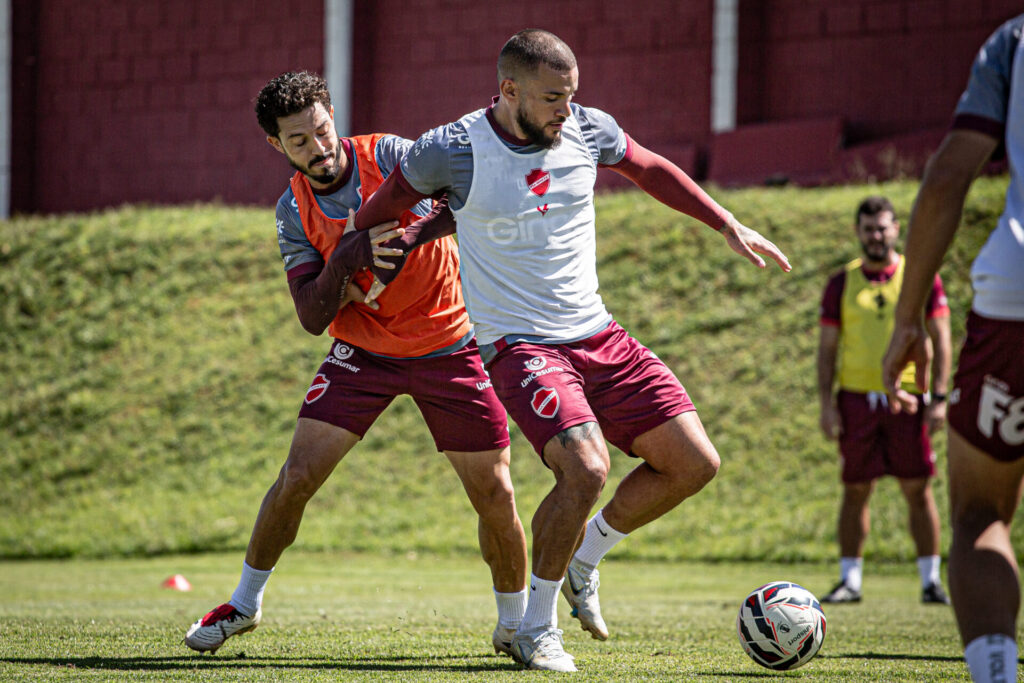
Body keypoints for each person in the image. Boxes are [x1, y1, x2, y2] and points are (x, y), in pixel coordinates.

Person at [353, 29, 791, 672]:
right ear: (509, 91)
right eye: (553, 97)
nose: (567, 109)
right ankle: (535, 628)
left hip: (599, 334)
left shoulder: (588, 129)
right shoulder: (450, 149)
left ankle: (585, 557)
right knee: (585, 469)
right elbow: (378, 212)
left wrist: (727, 223)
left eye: (572, 95)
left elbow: (649, 168)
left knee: (695, 463)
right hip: (520, 345)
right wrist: (365, 264)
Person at [183, 71, 529, 658]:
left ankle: (518, 627)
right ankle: (244, 604)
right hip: (363, 354)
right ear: (276, 146)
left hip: (449, 344)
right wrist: (346, 257)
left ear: (333, 114)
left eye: (321, 130)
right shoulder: (293, 210)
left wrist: (411, 234)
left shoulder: (392, 155)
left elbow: (467, 201)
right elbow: (312, 316)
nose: (317, 148)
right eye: (298, 141)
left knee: (495, 493)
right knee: (296, 479)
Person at [881, 14, 1024, 683]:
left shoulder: (1014, 39)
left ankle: (995, 672)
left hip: (1016, 295)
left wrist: (906, 317)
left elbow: (947, 177)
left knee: (979, 511)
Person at [817, 196, 952, 605]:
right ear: (858, 232)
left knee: (918, 488)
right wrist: (826, 403)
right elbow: (827, 349)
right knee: (855, 489)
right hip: (856, 400)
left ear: (896, 228)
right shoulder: (842, 282)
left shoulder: (919, 277)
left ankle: (931, 580)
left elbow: (942, 339)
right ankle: (850, 581)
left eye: (883, 227)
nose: (876, 236)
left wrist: (940, 396)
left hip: (908, 399)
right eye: (868, 228)